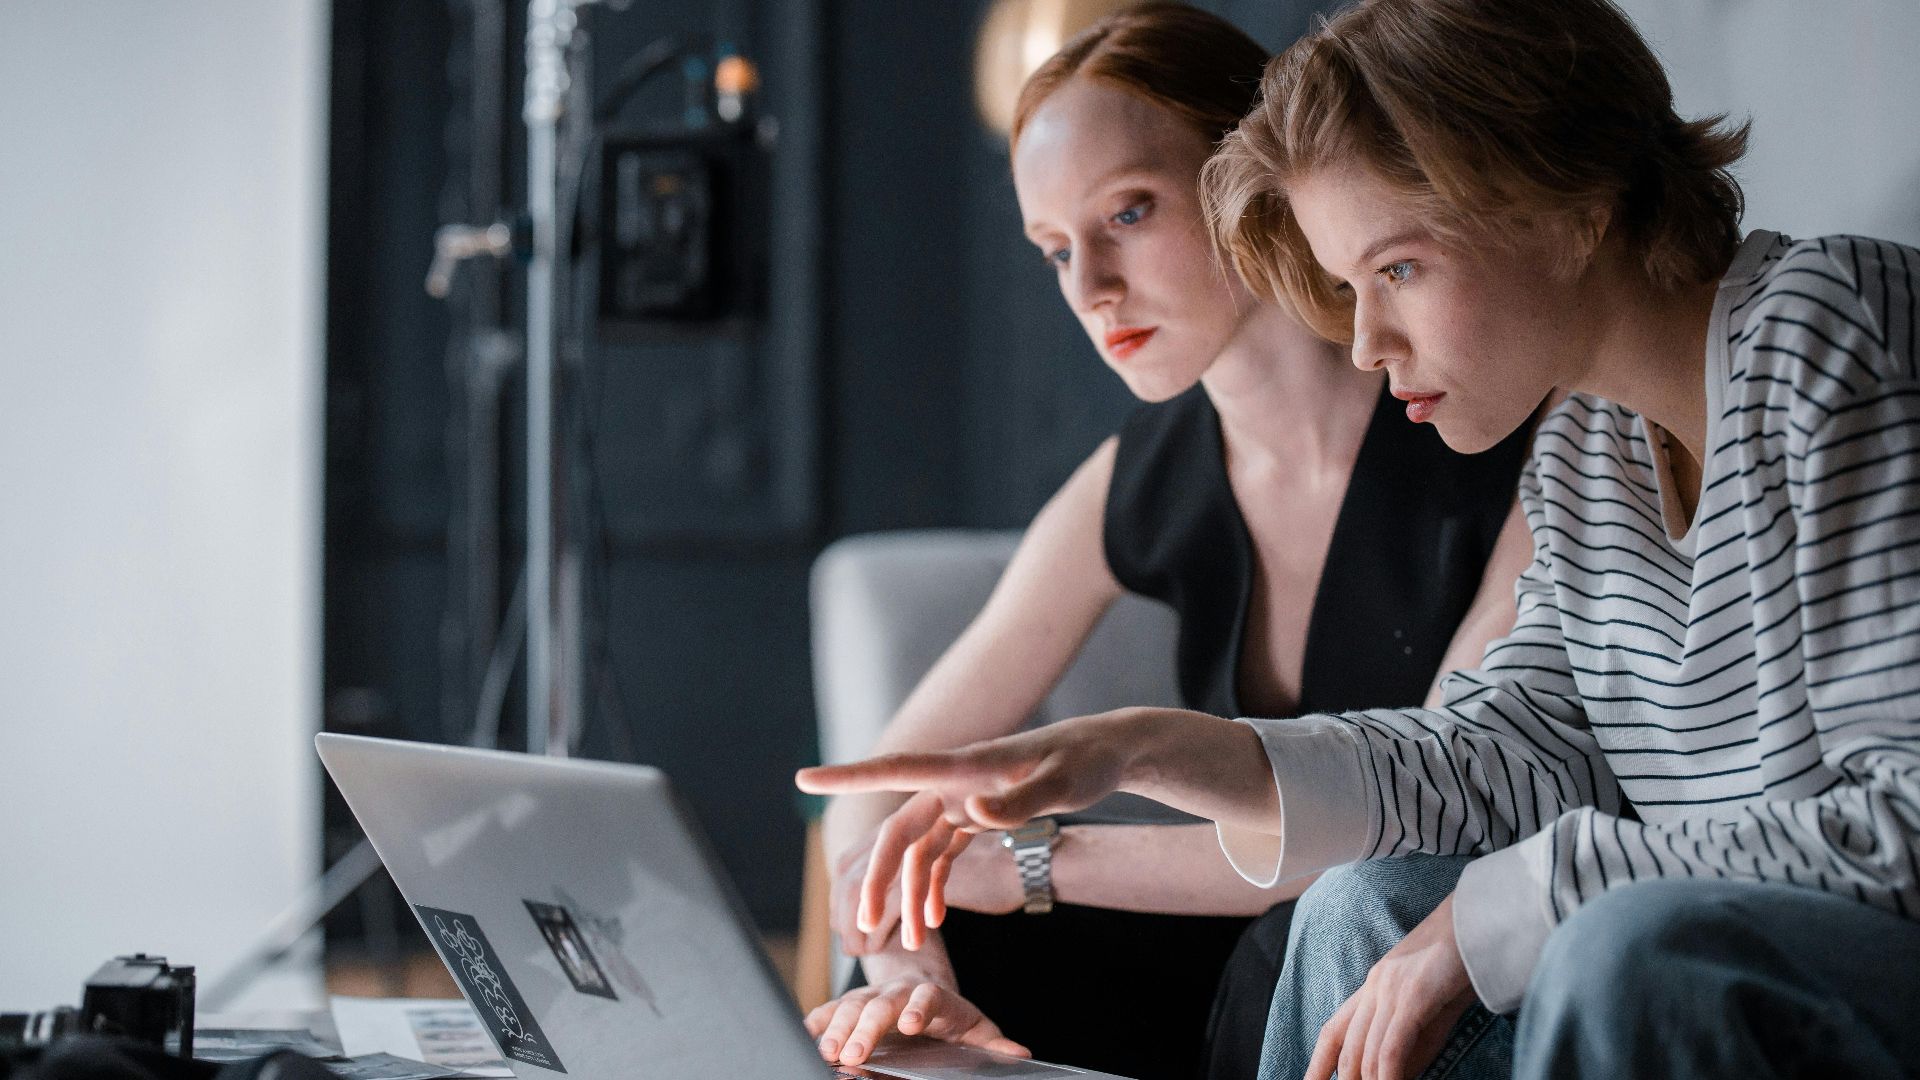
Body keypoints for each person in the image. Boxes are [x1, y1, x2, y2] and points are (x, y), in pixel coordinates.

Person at [799, 0, 1920, 1077]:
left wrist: (1511, 903)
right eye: (1350, 284)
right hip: (1699, 957)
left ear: (1572, 210)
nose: (1368, 340)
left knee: (1618, 948)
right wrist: (1144, 749)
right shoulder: (1591, 443)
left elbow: (1903, 826)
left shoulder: (1829, 322)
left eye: (1398, 270)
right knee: (1361, 905)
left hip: (1827, 961)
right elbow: (1502, 759)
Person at [807, 4, 1536, 1077]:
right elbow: (870, 790)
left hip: (1394, 927)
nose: (1089, 289)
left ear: (1254, 181)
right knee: (934, 963)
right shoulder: (1142, 477)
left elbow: (1414, 814)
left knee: (1327, 910)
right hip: (1226, 959)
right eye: (1056, 250)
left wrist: (1039, 860)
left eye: (1130, 212)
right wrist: (911, 973)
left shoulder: (1480, 417)